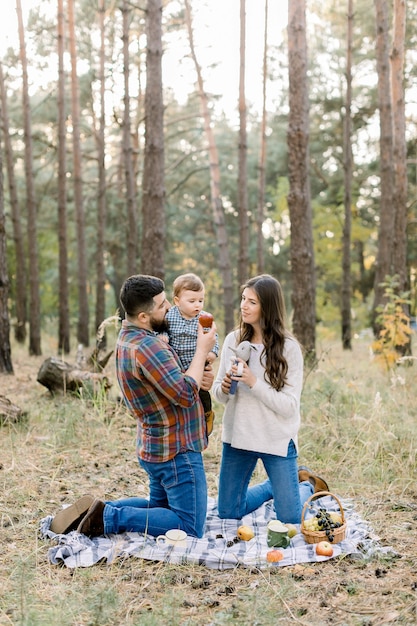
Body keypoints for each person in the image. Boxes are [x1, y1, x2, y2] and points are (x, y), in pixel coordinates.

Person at [50, 274, 217, 539]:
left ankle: (92, 511)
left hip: (155, 444)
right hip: (176, 450)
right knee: (189, 526)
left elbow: (177, 383)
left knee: (161, 508)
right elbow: (185, 394)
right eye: (162, 306)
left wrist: (200, 376)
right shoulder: (149, 347)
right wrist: (201, 350)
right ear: (143, 316)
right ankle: (108, 517)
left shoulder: (128, 339)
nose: (169, 309)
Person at [212, 274, 328, 525]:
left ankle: (306, 485)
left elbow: (289, 407)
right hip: (239, 436)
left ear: (268, 306)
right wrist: (223, 386)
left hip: (276, 437)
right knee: (228, 513)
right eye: (243, 299)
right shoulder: (233, 340)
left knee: (291, 518)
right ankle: (274, 486)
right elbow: (219, 396)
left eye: (252, 302)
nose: (243, 305)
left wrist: (253, 382)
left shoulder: (289, 348)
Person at [165, 273, 219, 435]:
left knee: (202, 393)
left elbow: (213, 338)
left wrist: (213, 354)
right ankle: (183, 423)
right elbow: (162, 330)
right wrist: (163, 336)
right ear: (177, 301)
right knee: (179, 397)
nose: (198, 305)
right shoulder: (170, 316)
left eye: (200, 301)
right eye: (192, 301)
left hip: (197, 364)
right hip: (176, 366)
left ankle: (207, 414)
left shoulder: (204, 318)